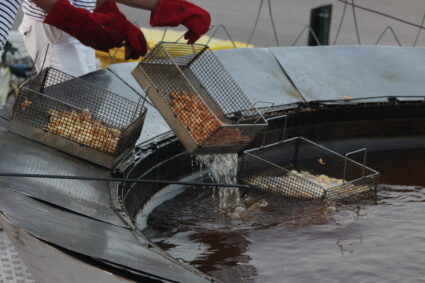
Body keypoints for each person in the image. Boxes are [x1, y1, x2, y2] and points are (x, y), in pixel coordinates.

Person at [3, 0, 210, 76]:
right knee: (72, 114)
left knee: (83, 105)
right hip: (52, 28)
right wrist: (79, 22)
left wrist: (168, 6)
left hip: (73, 26)